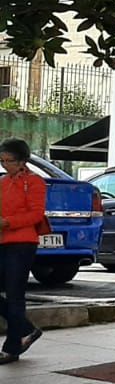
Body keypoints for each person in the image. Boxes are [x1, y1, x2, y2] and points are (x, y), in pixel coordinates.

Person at [0, 138, 46, 364]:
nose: (6, 165)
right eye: (3, 161)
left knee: (15, 294)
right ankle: (26, 329)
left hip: (22, 242)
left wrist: (8, 222)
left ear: (22, 161)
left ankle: (12, 348)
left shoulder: (34, 182)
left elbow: (36, 214)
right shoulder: (3, 182)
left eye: (10, 161)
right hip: (3, 241)